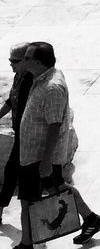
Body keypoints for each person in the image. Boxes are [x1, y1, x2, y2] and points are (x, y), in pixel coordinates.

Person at [15, 42, 100, 248]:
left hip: (39, 157)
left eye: (27, 58)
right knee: (56, 188)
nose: (23, 61)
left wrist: (46, 162)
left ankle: (26, 244)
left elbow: (54, 126)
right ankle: (91, 219)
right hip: (32, 154)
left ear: (37, 62)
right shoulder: (42, 77)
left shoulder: (52, 87)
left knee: (28, 199)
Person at [0, 44, 33, 218]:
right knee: (11, 172)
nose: (11, 64)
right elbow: (12, 101)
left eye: (14, 61)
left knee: (13, 172)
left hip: (29, 136)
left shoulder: (31, 81)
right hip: (20, 133)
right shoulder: (19, 76)